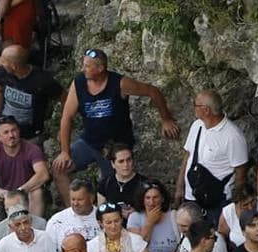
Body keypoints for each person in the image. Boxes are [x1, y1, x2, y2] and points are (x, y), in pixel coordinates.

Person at [52, 47, 178, 204]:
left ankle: (110, 213)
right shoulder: (79, 83)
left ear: (100, 68)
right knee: (58, 168)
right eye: (83, 64)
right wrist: (65, 151)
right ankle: (72, 211)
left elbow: (153, 91)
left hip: (114, 145)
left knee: (111, 187)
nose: (83, 69)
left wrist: (166, 119)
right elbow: (67, 117)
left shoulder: (120, 83)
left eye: (87, 66)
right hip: (90, 141)